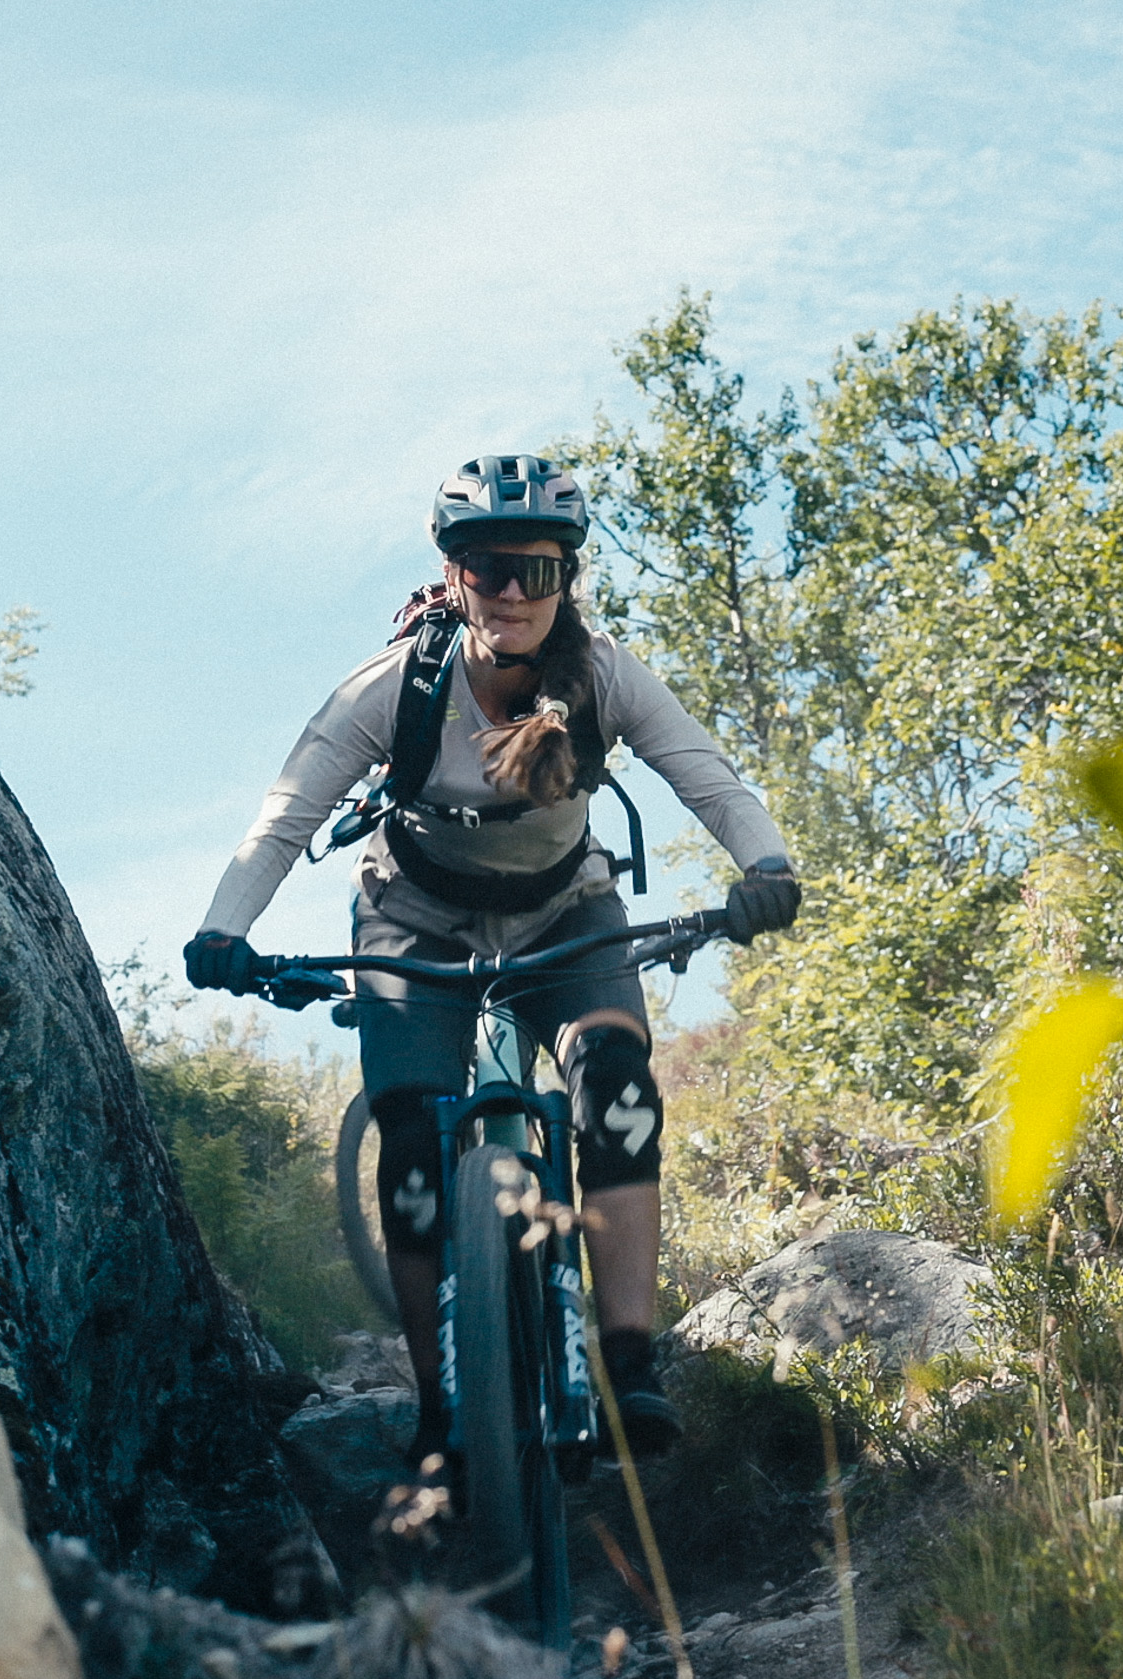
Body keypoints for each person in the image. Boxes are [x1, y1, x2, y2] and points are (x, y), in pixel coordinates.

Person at [184, 453, 799, 1467]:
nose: (510, 590)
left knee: (616, 1089)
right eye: (485, 568)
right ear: (454, 574)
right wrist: (223, 929)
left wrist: (765, 866)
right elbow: (285, 816)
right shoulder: (397, 688)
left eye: (535, 569)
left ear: (567, 577)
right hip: (411, 914)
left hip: (566, 914)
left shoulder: (603, 680)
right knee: (412, 1130)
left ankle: (631, 1364)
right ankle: (443, 1399)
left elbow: (709, 779)